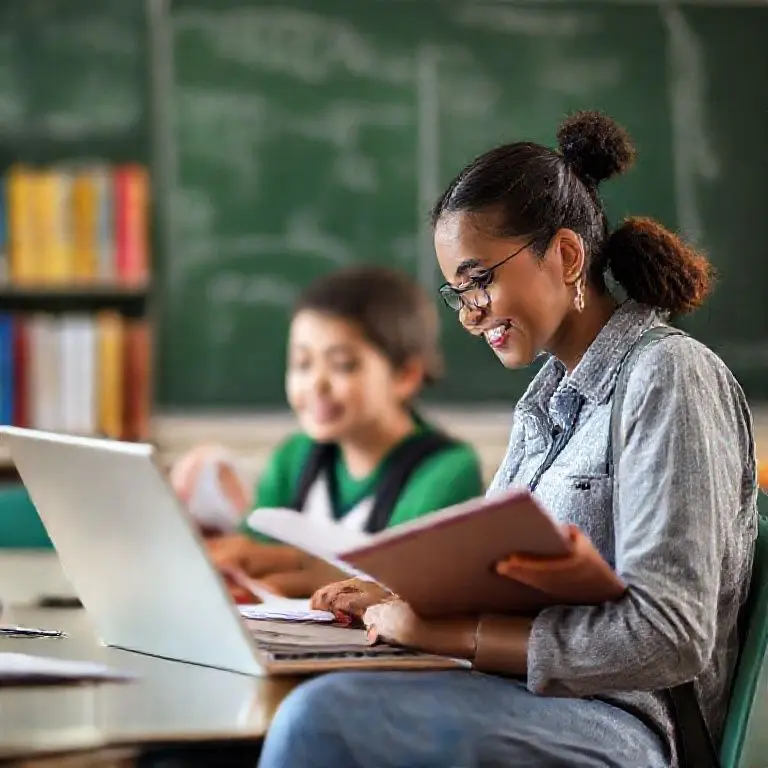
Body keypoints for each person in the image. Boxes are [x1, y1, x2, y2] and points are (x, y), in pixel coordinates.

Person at [257, 111, 758, 767]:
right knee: (277, 699)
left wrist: (452, 632)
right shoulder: (543, 401)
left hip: (625, 726)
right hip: (516, 694)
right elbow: (497, 579)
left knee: (321, 720)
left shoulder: (670, 376)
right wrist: (400, 599)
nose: (470, 315)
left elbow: (670, 637)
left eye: (481, 280)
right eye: (457, 292)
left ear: (567, 255)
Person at [173, 265, 484, 600]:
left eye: (342, 365)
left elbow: (397, 582)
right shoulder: (295, 455)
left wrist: (284, 568)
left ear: (405, 375)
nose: (316, 385)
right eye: (303, 364)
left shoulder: (447, 470)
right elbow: (251, 553)